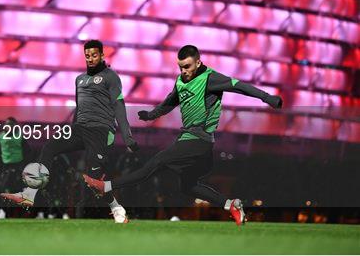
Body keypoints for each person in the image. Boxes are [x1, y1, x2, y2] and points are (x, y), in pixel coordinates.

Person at [83, 45, 283, 226]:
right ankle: (231, 204)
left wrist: (268, 98)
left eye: (187, 66)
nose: (184, 72)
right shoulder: (181, 80)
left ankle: (106, 186)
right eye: (180, 67)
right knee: (187, 187)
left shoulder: (211, 78)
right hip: (192, 143)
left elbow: (240, 86)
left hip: (200, 142)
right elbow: (170, 101)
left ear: (198, 61)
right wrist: (151, 115)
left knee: (157, 162)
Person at [2, 39, 138, 223]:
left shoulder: (111, 77)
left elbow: (119, 106)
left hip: (101, 131)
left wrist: (127, 136)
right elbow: (79, 107)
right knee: (50, 147)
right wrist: (71, 130)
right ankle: (30, 194)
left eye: (94, 55)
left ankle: (115, 207)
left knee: (94, 180)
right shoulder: (80, 79)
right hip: (79, 128)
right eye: (87, 55)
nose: (90, 58)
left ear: (102, 55)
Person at [0, 117, 31, 219]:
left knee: (18, 191)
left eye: (11, 124)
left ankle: (19, 213)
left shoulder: (20, 136)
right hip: (5, 167)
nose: (8, 126)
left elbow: (28, 152)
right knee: (3, 190)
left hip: (18, 166)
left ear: (15, 126)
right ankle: (2, 212)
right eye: (7, 124)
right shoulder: (1, 136)